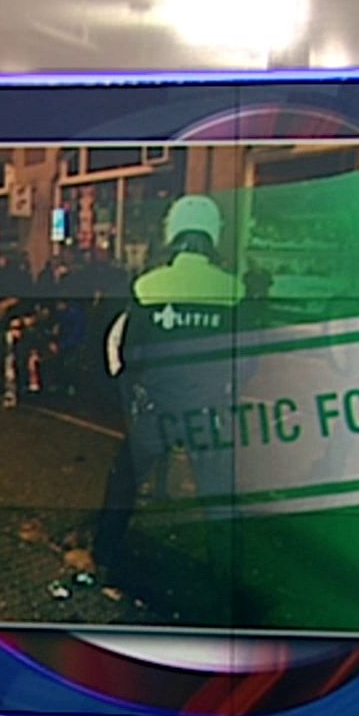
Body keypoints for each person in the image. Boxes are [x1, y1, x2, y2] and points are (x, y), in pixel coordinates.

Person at [90, 194, 245, 586]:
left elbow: (130, 351)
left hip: (156, 409)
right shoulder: (234, 290)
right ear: (213, 235)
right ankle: (225, 570)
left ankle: (104, 553)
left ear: (172, 233)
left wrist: (137, 394)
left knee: (124, 481)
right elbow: (248, 356)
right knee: (218, 493)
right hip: (206, 411)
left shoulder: (147, 286)